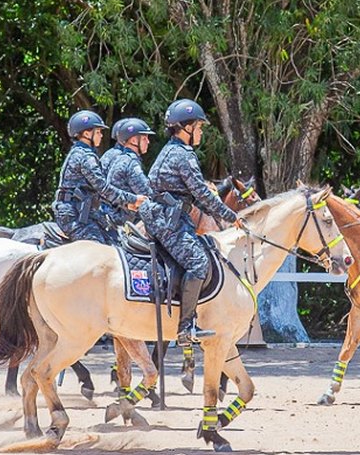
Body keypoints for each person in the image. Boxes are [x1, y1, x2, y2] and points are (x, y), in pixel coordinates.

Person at [140, 99, 243, 344]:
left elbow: (191, 196)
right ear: (186, 128)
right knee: (198, 262)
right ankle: (185, 327)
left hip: (167, 216)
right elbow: (202, 193)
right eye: (198, 127)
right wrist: (231, 217)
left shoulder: (170, 150)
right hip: (168, 221)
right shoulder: (183, 155)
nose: (200, 132)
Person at [53, 110, 146, 245]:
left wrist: (126, 203)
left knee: (116, 242)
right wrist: (134, 199)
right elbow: (103, 188)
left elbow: (98, 191)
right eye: (98, 132)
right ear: (86, 134)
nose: (101, 136)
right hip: (74, 215)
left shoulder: (81, 153)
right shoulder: (85, 157)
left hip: (83, 212)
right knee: (99, 251)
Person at [105, 118, 157, 225]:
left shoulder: (122, 158)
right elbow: (147, 193)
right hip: (118, 223)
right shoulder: (131, 162)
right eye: (144, 138)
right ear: (133, 140)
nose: (148, 141)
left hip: (111, 217)